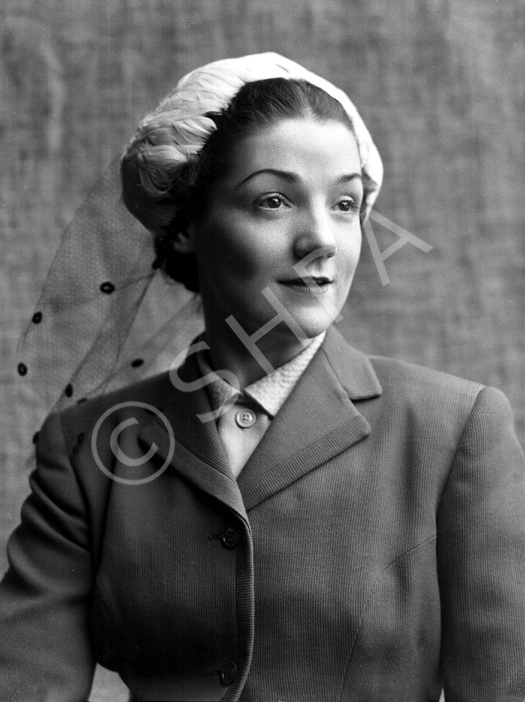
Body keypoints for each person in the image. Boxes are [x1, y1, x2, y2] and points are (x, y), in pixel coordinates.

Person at [1, 52, 524, 702]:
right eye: (273, 199)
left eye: (344, 203)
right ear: (187, 225)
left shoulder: (454, 428)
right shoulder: (86, 451)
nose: (321, 239)